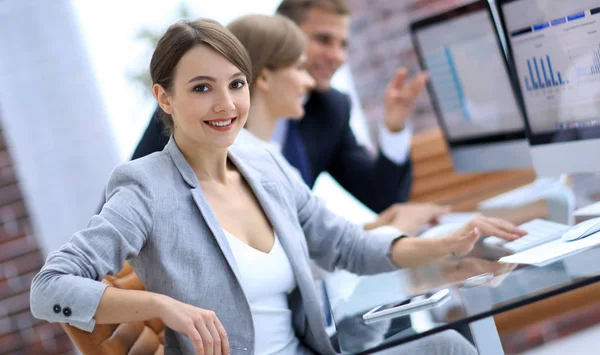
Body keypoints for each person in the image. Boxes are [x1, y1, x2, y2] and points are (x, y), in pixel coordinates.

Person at [30, 19, 525, 354]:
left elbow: (343, 243)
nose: (225, 104)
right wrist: (162, 306)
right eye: (202, 88)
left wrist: (446, 245)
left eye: (236, 84)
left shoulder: (261, 160)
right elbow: (48, 288)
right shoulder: (144, 188)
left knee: (448, 346)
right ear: (165, 97)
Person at [131, 0, 444, 233]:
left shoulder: (329, 109)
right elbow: (131, 210)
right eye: (323, 40)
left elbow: (383, 198)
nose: (337, 56)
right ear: (284, 36)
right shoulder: (191, 114)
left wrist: (394, 127)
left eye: (343, 45)